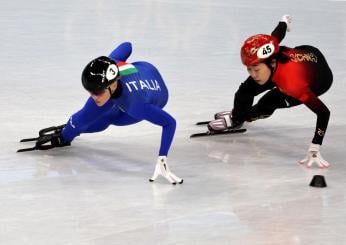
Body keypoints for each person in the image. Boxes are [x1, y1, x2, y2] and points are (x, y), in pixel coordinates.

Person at [23, 42, 183, 184]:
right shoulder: (111, 65)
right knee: (89, 114)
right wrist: (66, 134)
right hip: (145, 68)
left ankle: (68, 133)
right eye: (90, 91)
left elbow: (170, 123)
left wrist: (162, 158)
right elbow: (127, 45)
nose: (93, 96)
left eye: (97, 92)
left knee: (110, 118)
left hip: (158, 98)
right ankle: (67, 133)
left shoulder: (136, 105)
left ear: (112, 84)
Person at [208, 15, 333, 168]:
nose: (253, 74)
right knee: (244, 91)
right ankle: (237, 117)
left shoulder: (293, 84)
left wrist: (315, 146)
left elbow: (323, 113)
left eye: (256, 69)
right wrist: (284, 21)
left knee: (268, 101)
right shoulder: (268, 52)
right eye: (249, 69)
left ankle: (250, 116)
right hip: (305, 53)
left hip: (319, 81)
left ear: (272, 63)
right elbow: (278, 33)